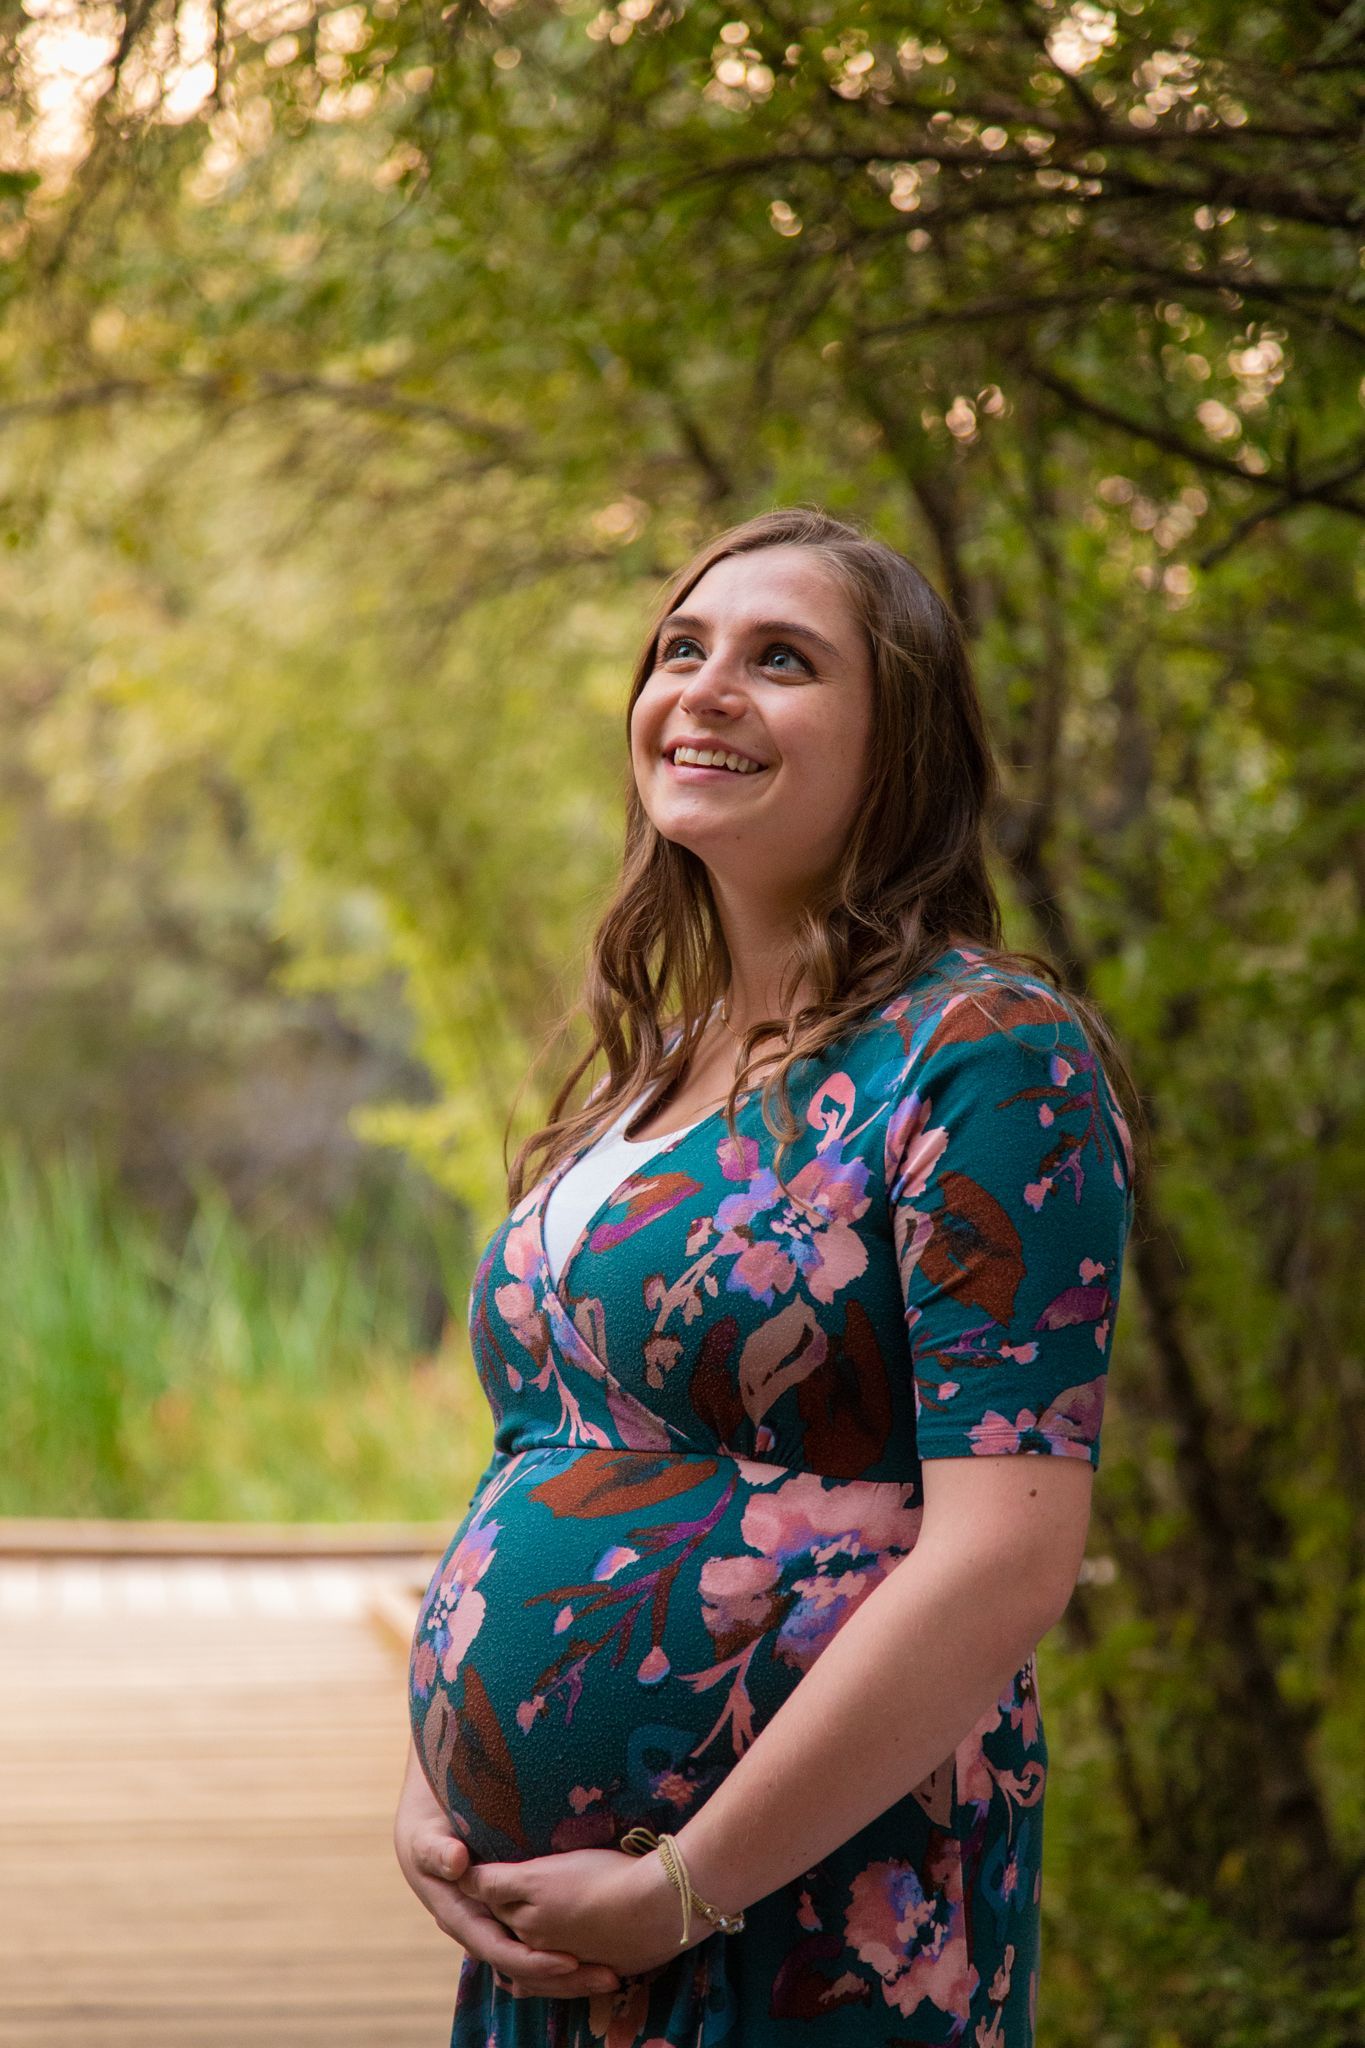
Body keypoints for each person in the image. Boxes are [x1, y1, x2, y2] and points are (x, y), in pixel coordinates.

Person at [394, 505, 1139, 2046]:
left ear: (900, 748)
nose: (706, 687)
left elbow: (1006, 1557)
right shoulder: (646, 1075)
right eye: (682, 649)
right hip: (547, 1917)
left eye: (780, 660)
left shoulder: (984, 1057)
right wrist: (434, 1791)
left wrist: (683, 1886)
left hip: (809, 1907)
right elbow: (542, 1449)